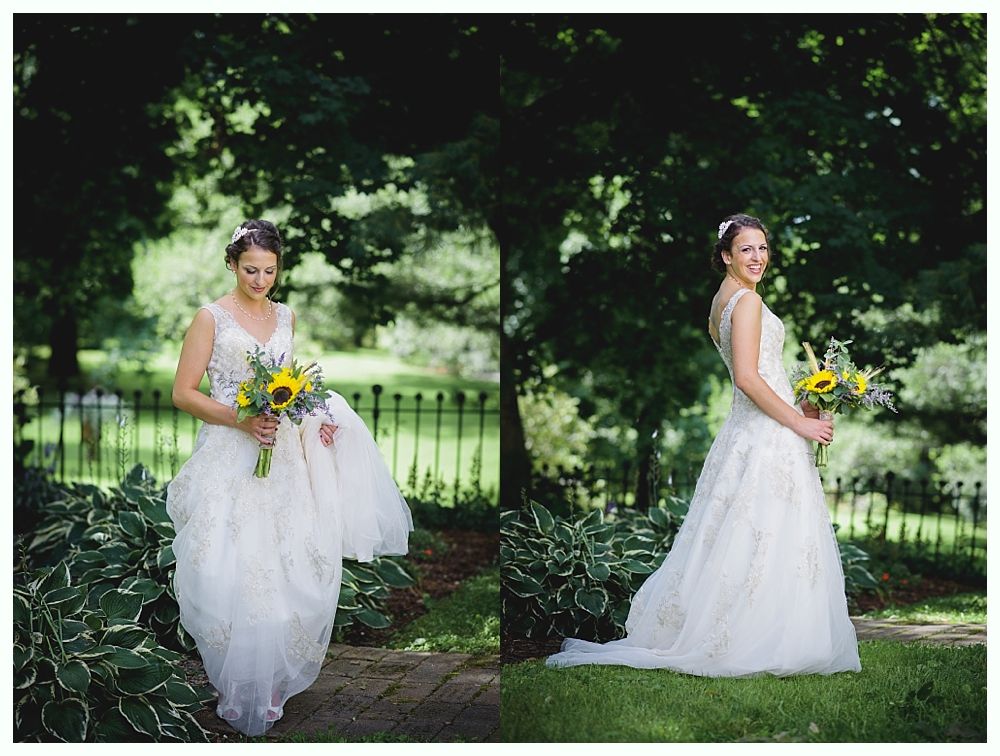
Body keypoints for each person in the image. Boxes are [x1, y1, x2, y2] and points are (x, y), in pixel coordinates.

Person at [546, 213, 861, 677]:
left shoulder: (720, 305)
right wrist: (801, 422)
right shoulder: (748, 303)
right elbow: (750, 379)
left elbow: (754, 376)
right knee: (769, 535)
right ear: (726, 256)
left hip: (745, 432)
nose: (758, 257)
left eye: (763, 248)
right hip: (767, 435)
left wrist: (811, 399)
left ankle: (741, 626)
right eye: (747, 249)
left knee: (739, 537)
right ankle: (766, 637)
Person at [165, 220, 414, 736]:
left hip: (283, 460)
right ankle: (236, 683)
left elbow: (288, 387)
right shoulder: (210, 318)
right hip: (229, 456)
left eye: (270, 270)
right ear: (231, 264)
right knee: (230, 566)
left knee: (287, 561)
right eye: (250, 269)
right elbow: (184, 393)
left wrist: (313, 422)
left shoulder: (285, 317)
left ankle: (271, 679)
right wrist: (242, 418)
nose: (260, 280)